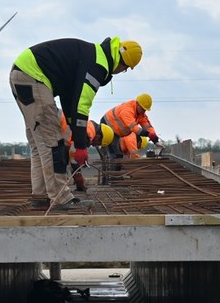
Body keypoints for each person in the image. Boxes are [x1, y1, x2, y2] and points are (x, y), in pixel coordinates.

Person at [10, 36, 142, 209]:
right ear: (123, 64)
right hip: (34, 77)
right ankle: (61, 198)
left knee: (39, 144)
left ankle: (40, 196)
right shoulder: (99, 65)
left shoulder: (91, 54)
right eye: (124, 70)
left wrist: (74, 129)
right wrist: (80, 146)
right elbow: (82, 105)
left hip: (22, 74)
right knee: (53, 144)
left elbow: (69, 99)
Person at [59, 113, 115, 191]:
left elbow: (70, 154)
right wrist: (78, 174)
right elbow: (74, 153)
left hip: (53, 123)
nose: (93, 145)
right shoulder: (88, 133)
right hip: (53, 123)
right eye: (98, 143)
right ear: (99, 136)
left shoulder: (89, 128)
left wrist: (75, 172)